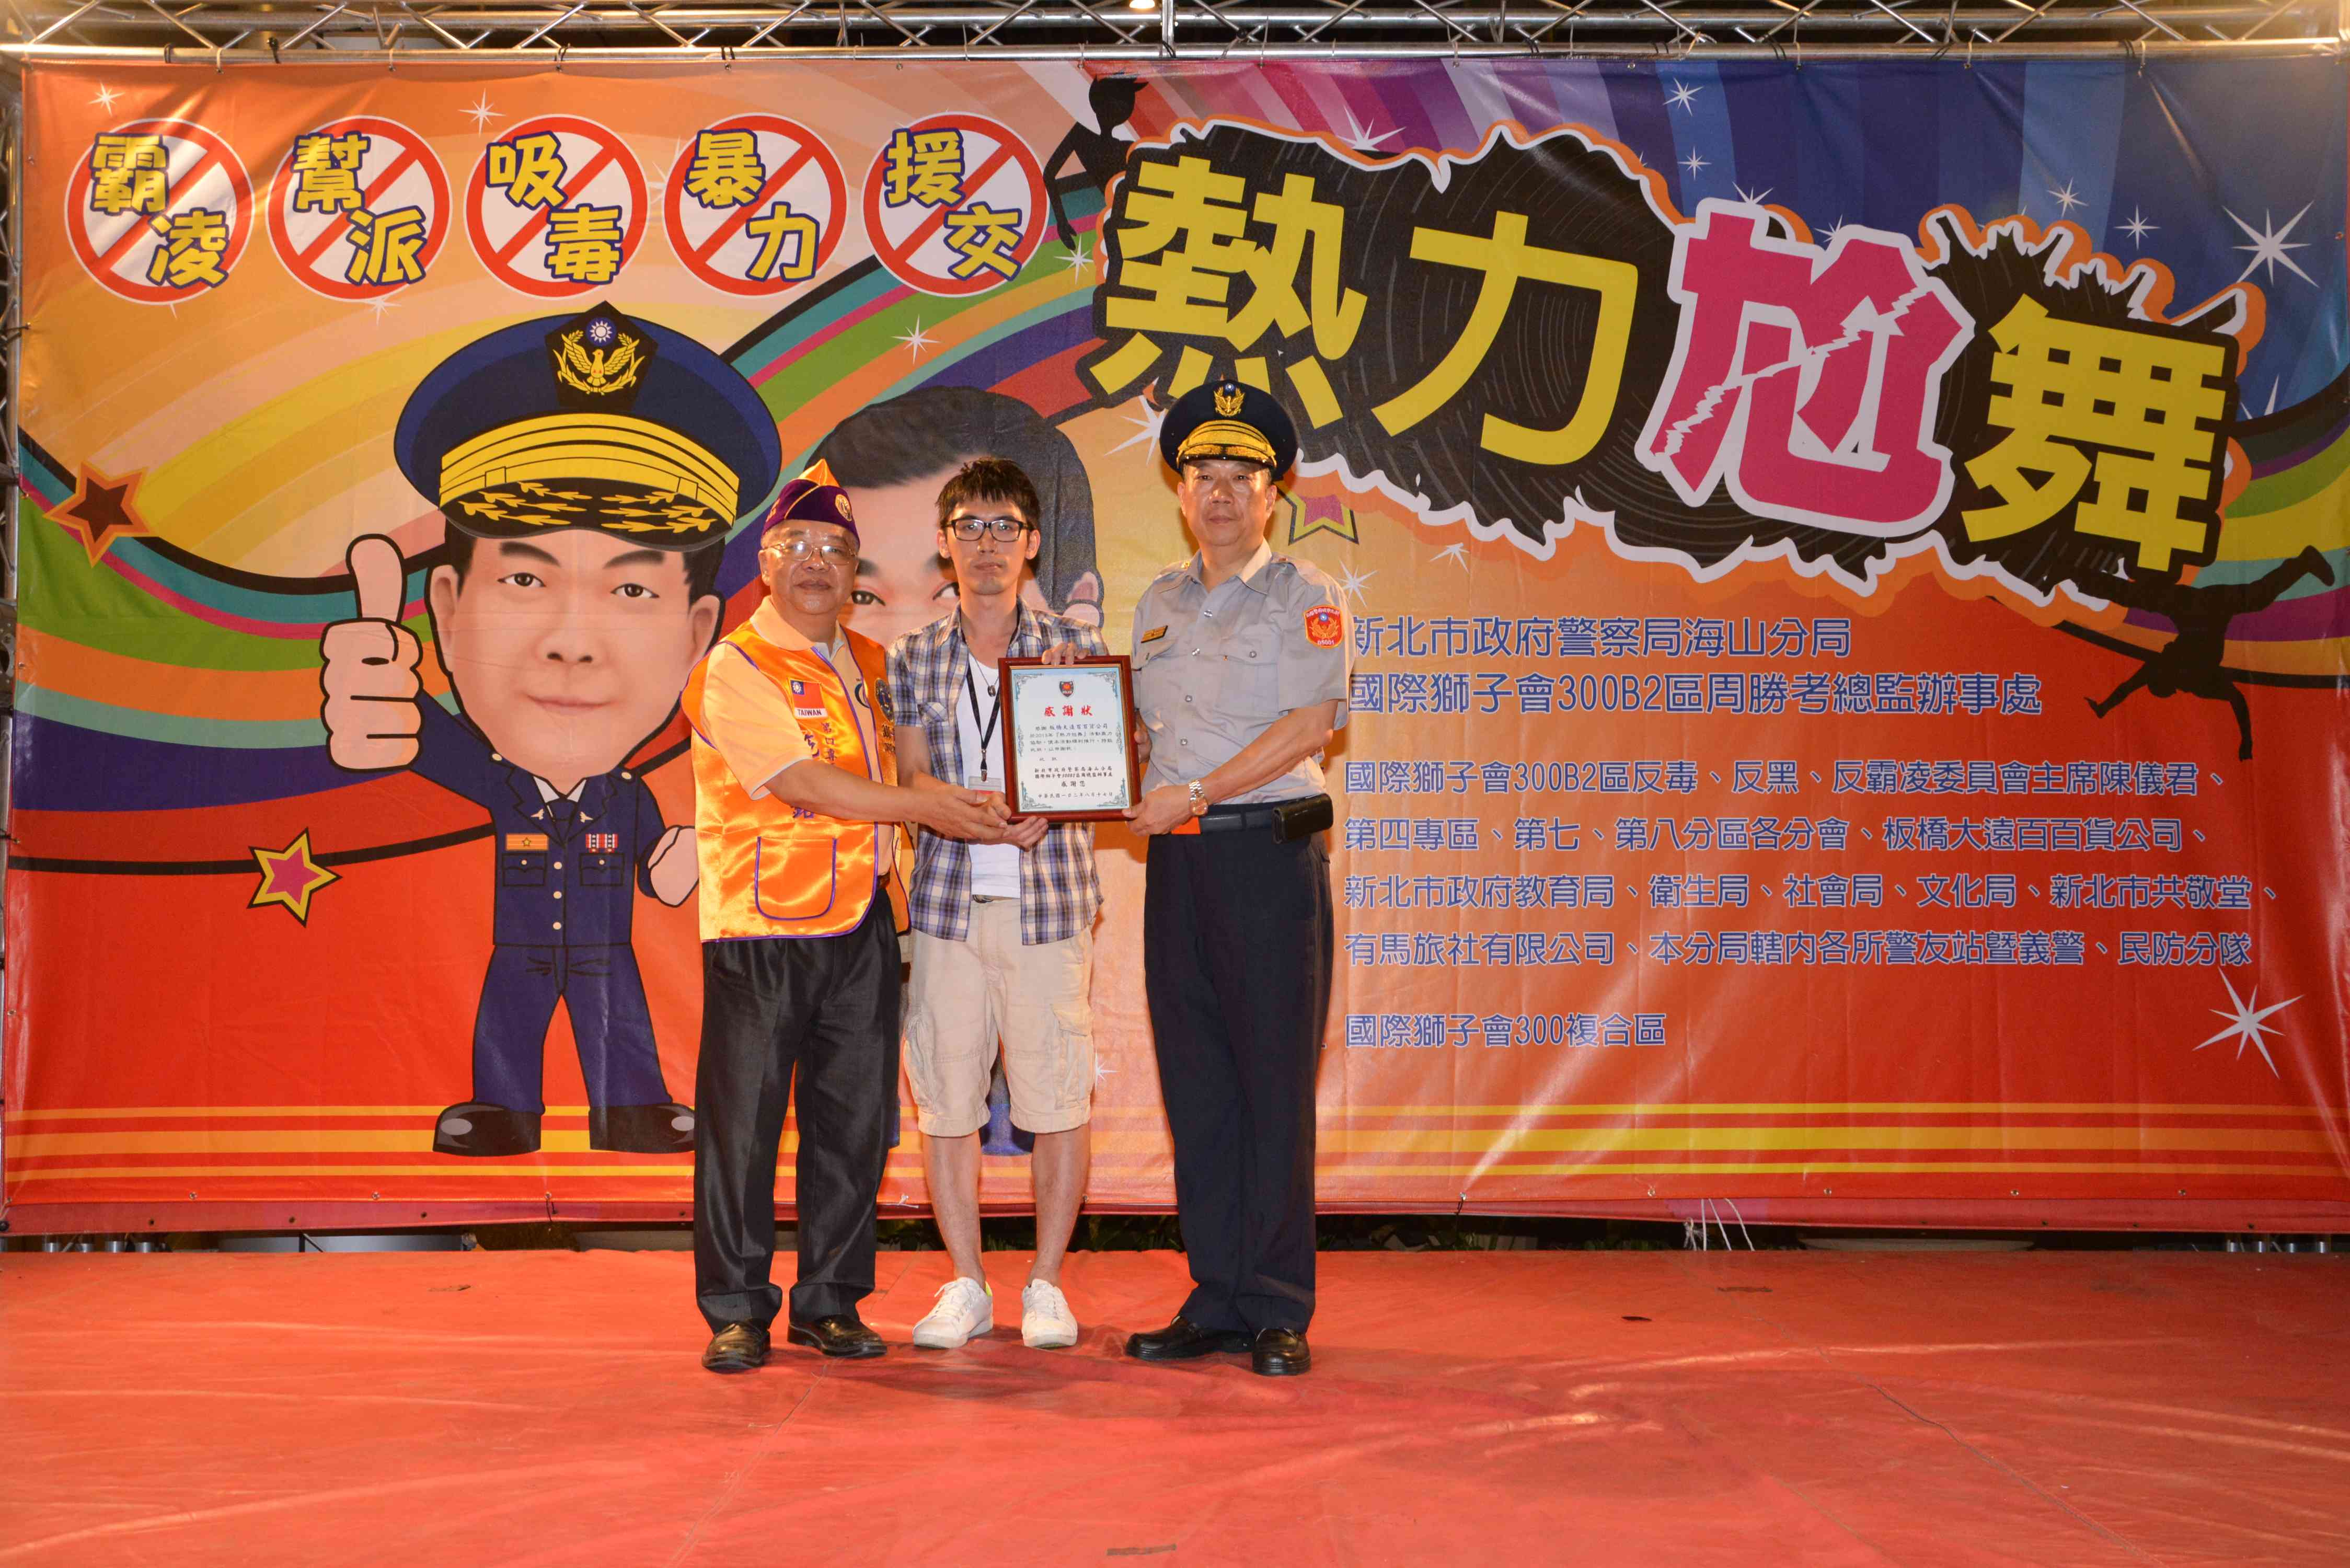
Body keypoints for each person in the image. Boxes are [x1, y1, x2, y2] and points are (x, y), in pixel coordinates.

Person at [323, 302, 779, 1158]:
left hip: (607, 948)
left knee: (622, 1014)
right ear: (447, 612)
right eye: (526, 581)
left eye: (632, 589)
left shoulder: (629, 796)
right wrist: (393, 700)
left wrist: (700, 848)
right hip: (522, 947)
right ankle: (504, 1110)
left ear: (697, 634)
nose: (572, 643)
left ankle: (633, 1109)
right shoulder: (500, 783)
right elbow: (422, 736)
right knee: (511, 1014)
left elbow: (665, 873)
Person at [682, 462, 1010, 1374]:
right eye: (797, 545)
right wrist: (933, 809)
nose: (816, 563)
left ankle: (830, 1300)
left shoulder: (874, 665)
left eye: (834, 549)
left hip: (865, 922)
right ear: (765, 562)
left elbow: (916, 771)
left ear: (854, 569)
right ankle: (736, 1308)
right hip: (762, 926)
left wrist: (996, 798)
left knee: (853, 1124)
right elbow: (804, 783)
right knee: (743, 1129)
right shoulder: (734, 666)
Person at [1119, 379, 1350, 1378]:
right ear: (1179, 492)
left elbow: (1310, 725)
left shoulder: (1307, 597)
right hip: (1178, 862)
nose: (1219, 493)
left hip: (1265, 857)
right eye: (1202, 475)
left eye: (1240, 476)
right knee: (1199, 1084)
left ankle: (1276, 1302)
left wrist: (1198, 791)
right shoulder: (1157, 603)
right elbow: (1135, 732)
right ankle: (1214, 1295)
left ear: (1274, 492)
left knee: (1271, 1085)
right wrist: (1074, 770)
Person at [884, 458, 1109, 1352]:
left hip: (1048, 904)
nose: (987, 544)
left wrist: (1054, 794)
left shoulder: (1075, 649)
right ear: (945, 544)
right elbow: (909, 778)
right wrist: (971, 814)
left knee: (1057, 1095)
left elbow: (1107, 765)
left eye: (1004, 527)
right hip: (947, 903)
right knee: (947, 1098)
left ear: (1032, 542)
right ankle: (967, 1282)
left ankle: (1047, 1281)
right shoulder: (914, 655)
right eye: (969, 527)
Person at [813, 387, 1103, 648]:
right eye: (862, 597)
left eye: (952, 591)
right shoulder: (911, 658)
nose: (901, 634)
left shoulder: (1079, 647)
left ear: (1079, 599)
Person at [2079, 545, 2336, 758]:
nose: (2165, 653)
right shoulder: (2198, 681)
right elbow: (2237, 700)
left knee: (2138, 597)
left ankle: (2081, 576)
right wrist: (2246, 741)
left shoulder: (2174, 674)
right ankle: (2303, 562)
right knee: (2257, 596)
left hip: (2190, 609)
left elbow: (2128, 688)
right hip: (2208, 607)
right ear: (2172, 679)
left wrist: (2104, 708)